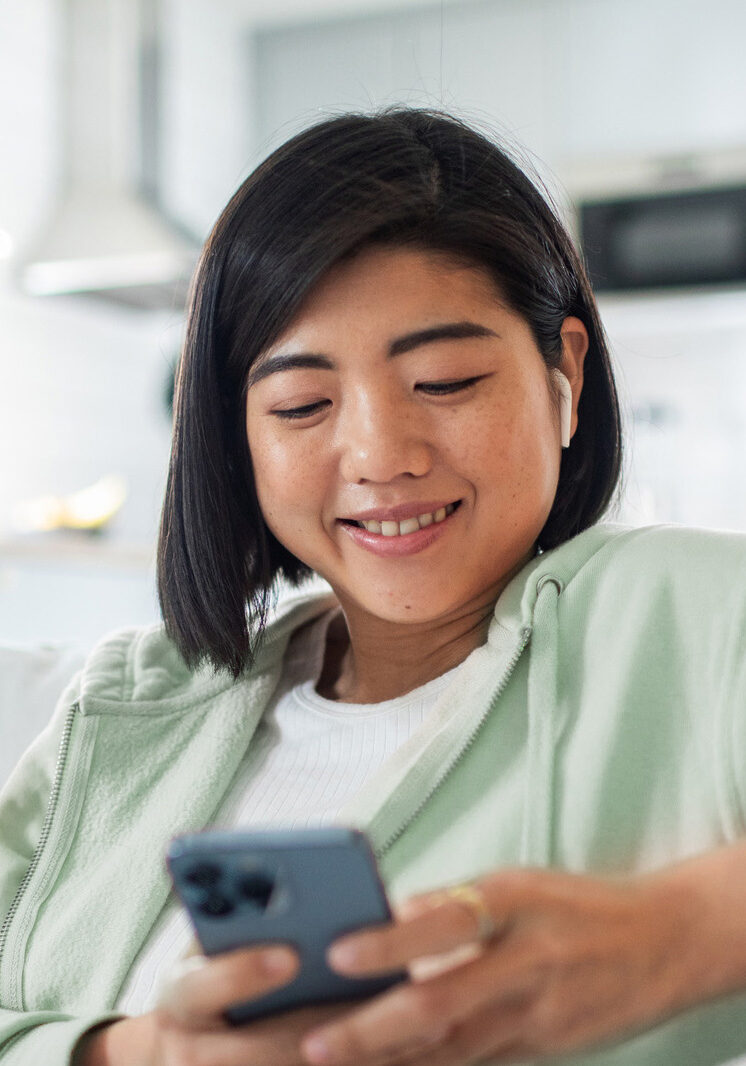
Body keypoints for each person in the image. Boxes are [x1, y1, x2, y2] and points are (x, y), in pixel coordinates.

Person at [1, 108, 745, 1066]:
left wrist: (667, 939)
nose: (382, 457)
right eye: (301, 405)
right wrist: (136, 1052)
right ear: (239, 441)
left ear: (563, 375)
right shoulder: (123, 709)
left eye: (444, 380)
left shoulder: (695, 617)